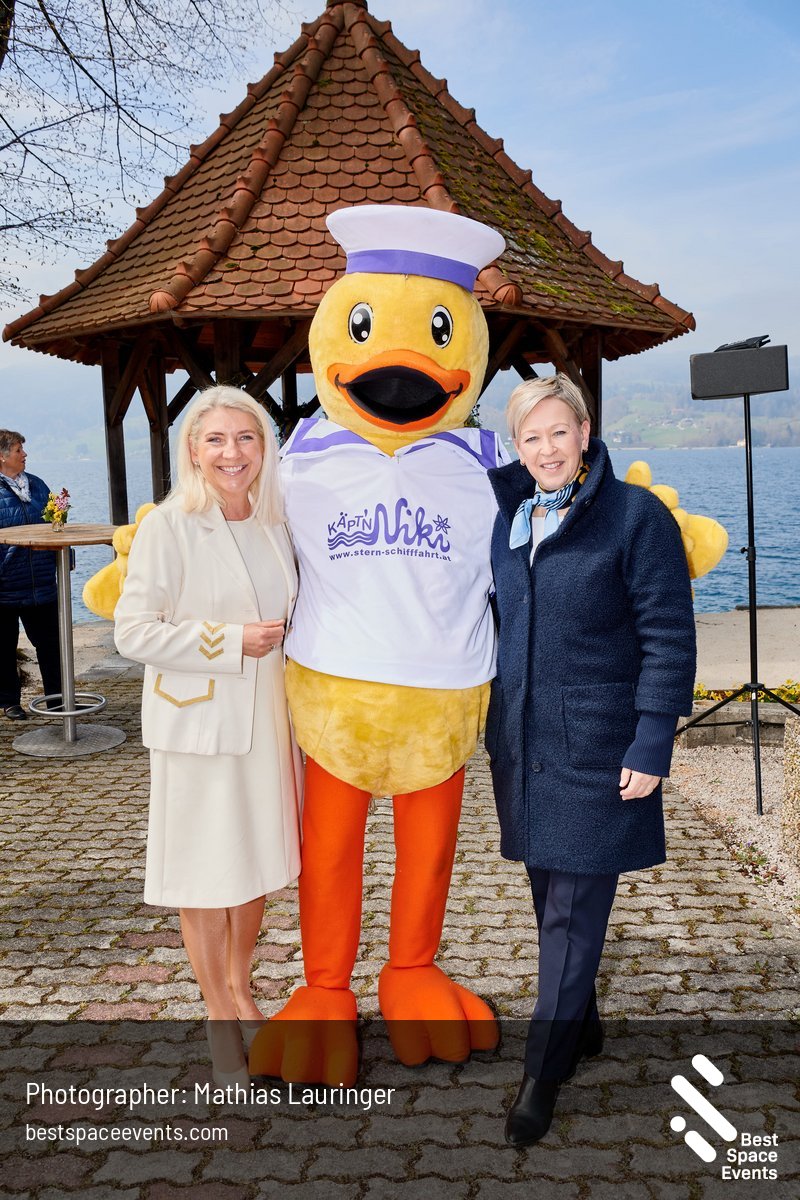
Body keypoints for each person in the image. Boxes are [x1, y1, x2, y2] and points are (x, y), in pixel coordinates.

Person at [485, 374, 696, 1146]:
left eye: (558, 432)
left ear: (583, 431)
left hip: (600, 748)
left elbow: (668, 635)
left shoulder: (636, 518)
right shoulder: (509, 518)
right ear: (517, 446)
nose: (546, 449)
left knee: (571, 913)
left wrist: (652, 741)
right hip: (524, 743)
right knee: (551, 898)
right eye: (530, 437)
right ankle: (583, 1022)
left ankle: (542, 1074)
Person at [114, 386, 301, 1087]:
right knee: (203, 873)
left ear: (265, 447)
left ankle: (242, 988)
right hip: (197, 725)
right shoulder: (169, 525)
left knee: (253, 864)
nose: (232, 453)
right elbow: (133, 632)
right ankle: (219, 1014)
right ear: (192, 449)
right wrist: (228, 641)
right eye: (216, 439)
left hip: (267, 723)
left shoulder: (275, 520)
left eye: (246, 438)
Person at [0, 430, 62, 720]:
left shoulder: (37, 485)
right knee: (3, 647)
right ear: (2, 456)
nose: (24, 455)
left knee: (51, 645)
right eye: (18, 450)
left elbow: (57, 523)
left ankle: (57, 700)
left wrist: (63, 559)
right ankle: (9, 702)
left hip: (42, 582)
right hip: (5, 585)